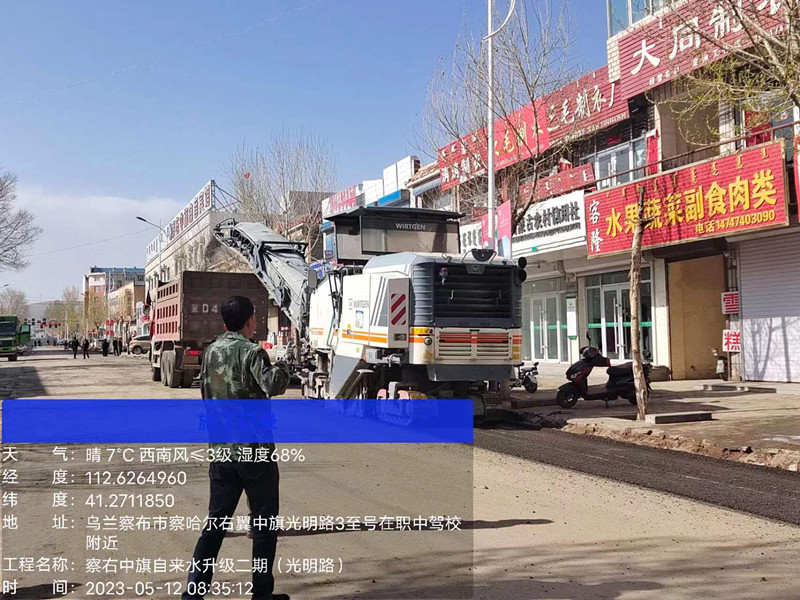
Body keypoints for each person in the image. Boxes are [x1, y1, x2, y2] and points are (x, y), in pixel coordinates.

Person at [182, 296, 290, 600]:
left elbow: (206, 393)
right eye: (254, 318)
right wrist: (283, 366)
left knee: (215, 525)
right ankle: (261, 594)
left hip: (221, 452)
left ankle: (193, 593)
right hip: (254, 452)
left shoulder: (211, 352)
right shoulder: (252, 352)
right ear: (249, 320)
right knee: (264, 526)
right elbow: (271, 384)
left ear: (224, 321)